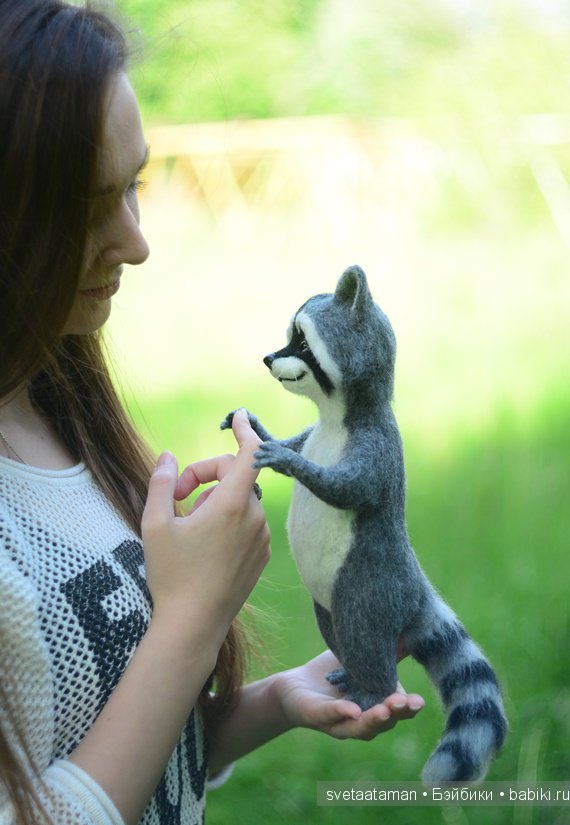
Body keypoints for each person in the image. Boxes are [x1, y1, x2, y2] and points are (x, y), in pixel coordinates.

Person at [0, 2, 424, 823]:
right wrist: (193, 617)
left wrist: (270, 700)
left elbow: (120, 754)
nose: (136, 242)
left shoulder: (59, 411)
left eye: (134, 186)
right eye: (88, 207)